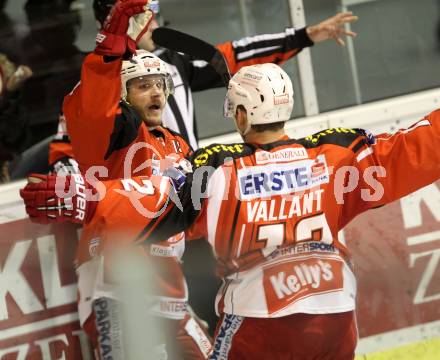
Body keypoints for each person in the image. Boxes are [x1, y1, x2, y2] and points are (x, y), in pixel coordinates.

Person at [21, 61, 440, 359]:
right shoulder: (334, 157)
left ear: (241, 114)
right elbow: (408, 152)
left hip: (259, 316)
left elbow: (153, 200)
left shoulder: (218, 168)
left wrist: (88, 200)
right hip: (335, 309)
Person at [48, 0, 358, 172]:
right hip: (137, 206)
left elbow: (234, 55)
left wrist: (303, 36)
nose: (155, 23)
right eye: (145, 15)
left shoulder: (172, 61)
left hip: (189, 192)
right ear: (118, 21)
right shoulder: (97, 81)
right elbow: (66, 147)